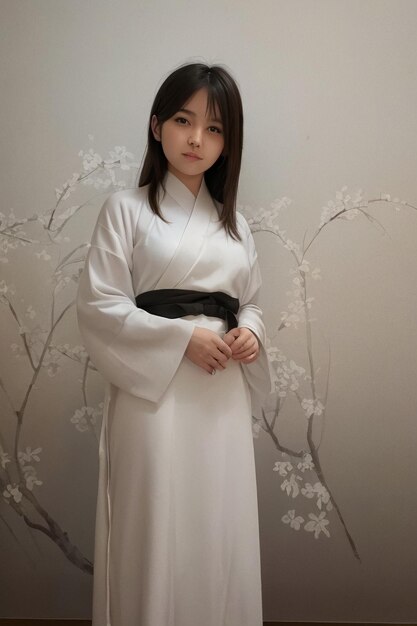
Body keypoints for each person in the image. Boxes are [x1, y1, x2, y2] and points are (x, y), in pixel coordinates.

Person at [77, 62, 272, 626]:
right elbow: (100, 305)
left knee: (218, 522)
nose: (196, 139)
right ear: (156, 124)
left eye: (214, 128)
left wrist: (250, 333)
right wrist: (181, 338)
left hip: (220, 397)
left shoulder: (238, 227)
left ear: (227, 142)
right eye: (184, 121)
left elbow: (252, 300)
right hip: (153, 397)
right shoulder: (125, 210)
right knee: (156, 522)